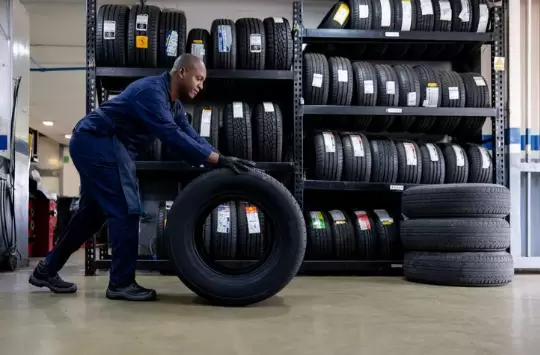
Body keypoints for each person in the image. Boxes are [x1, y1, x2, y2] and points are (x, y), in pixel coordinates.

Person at [28, 54, 254, 302]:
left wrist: (220, 157)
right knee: (126, 208)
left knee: (91, 216)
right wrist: (216, 160)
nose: (201, 84)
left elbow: (190, 135)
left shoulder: (174, 105)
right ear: (181, 72)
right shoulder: (151, 92)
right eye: (198, 78)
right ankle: (121, 284)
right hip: (97, 140)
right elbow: (171, 136)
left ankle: (46, 270)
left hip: (104, 145)